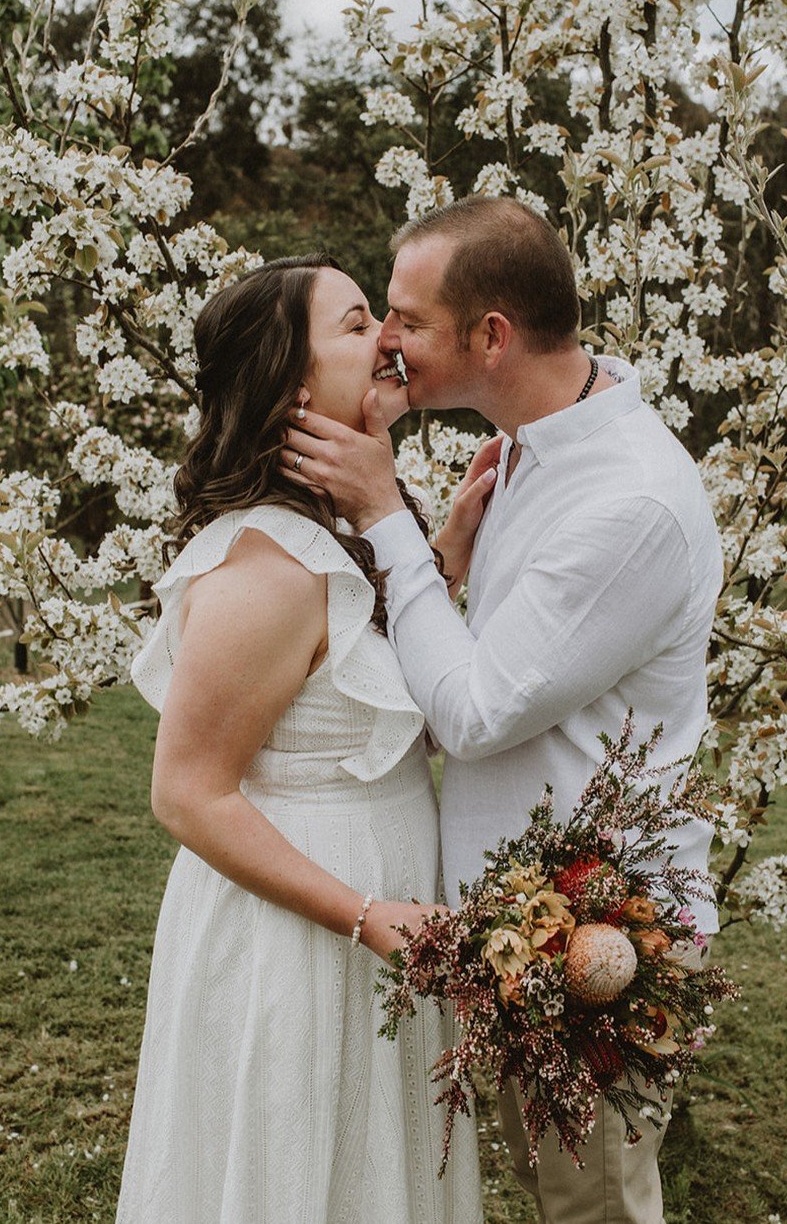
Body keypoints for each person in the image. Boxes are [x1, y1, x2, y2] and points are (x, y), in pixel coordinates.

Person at [281, 198, 724, 1224]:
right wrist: (434, 544)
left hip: (602, 937)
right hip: (523, 922)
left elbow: (475, 711)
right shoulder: (529, 439)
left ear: (492, 336)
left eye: (407, 320)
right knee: (550, 1188)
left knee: (594, 1206)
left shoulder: (630, 501)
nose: (387, 342)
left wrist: (388, 518)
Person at [116, 254, 490, 1224]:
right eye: (359, 321)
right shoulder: (266, 568)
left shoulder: (341, 531)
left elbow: (350, 683)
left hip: (378, 912)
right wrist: (368, 914)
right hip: (300, 933)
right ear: (291, 382)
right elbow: (187, 792)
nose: (390, 340)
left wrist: (439, 551)